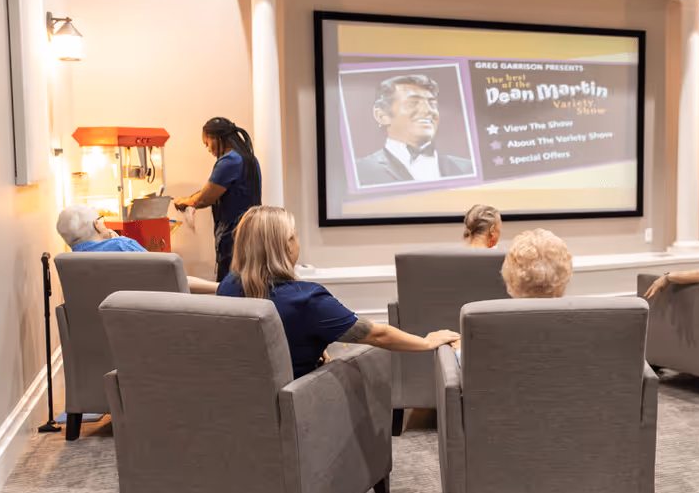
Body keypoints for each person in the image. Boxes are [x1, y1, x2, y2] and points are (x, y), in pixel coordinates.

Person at [218, 205, 459, 379]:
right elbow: (377, 335)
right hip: (299, 398)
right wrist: (426, 342)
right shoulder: (306, 299)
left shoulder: (228, 285)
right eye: (294, 237)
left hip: (241, 400)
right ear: (284, 248)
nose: (297, 243)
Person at [452, 228, 573, 364]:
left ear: (510, 284)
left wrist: (460, 351)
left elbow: (477, 368)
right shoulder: (577, 327)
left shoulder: (492, 329)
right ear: (565, 278)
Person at [55, 204, 219, 293]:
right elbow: (171, 279)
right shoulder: (121, 245)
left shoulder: (69, 262)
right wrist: (220, 288)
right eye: (101, 219)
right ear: (97, 225)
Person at [174, 117, 262, 282]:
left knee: (229, 286)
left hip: (233, 237)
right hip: (251, 234)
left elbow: (204, 198)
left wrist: (186, 201)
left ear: (216, 138)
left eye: (207, 143)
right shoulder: (249, 159)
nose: (208, 149)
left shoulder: (229, 161)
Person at [354, 73, 474, 185]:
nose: (429, 111)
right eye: (413, 103)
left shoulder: (468, 168)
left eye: (432, 104)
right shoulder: (359, 171)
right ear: (382, 116)